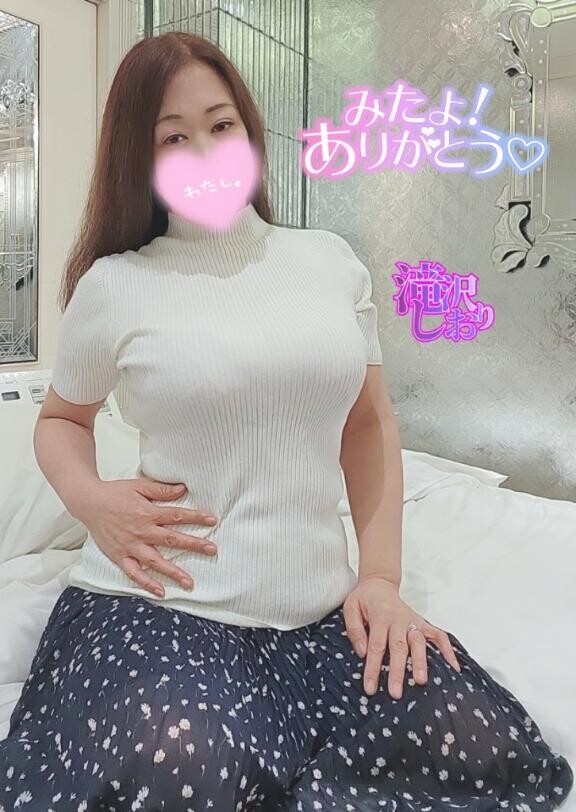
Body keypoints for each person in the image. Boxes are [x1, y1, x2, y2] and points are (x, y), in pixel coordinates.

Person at [0, 30, 572, 812]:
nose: (206, 151)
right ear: (141, 157)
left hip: (320, 610)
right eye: (174, 137)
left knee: (483, 746)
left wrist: (380, 579)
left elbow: (367, 424)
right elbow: (61, 420)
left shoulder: (328, 261)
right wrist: (93, 500)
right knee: (189, 764)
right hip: (165, 604)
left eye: (221, 124)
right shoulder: (116, 285)